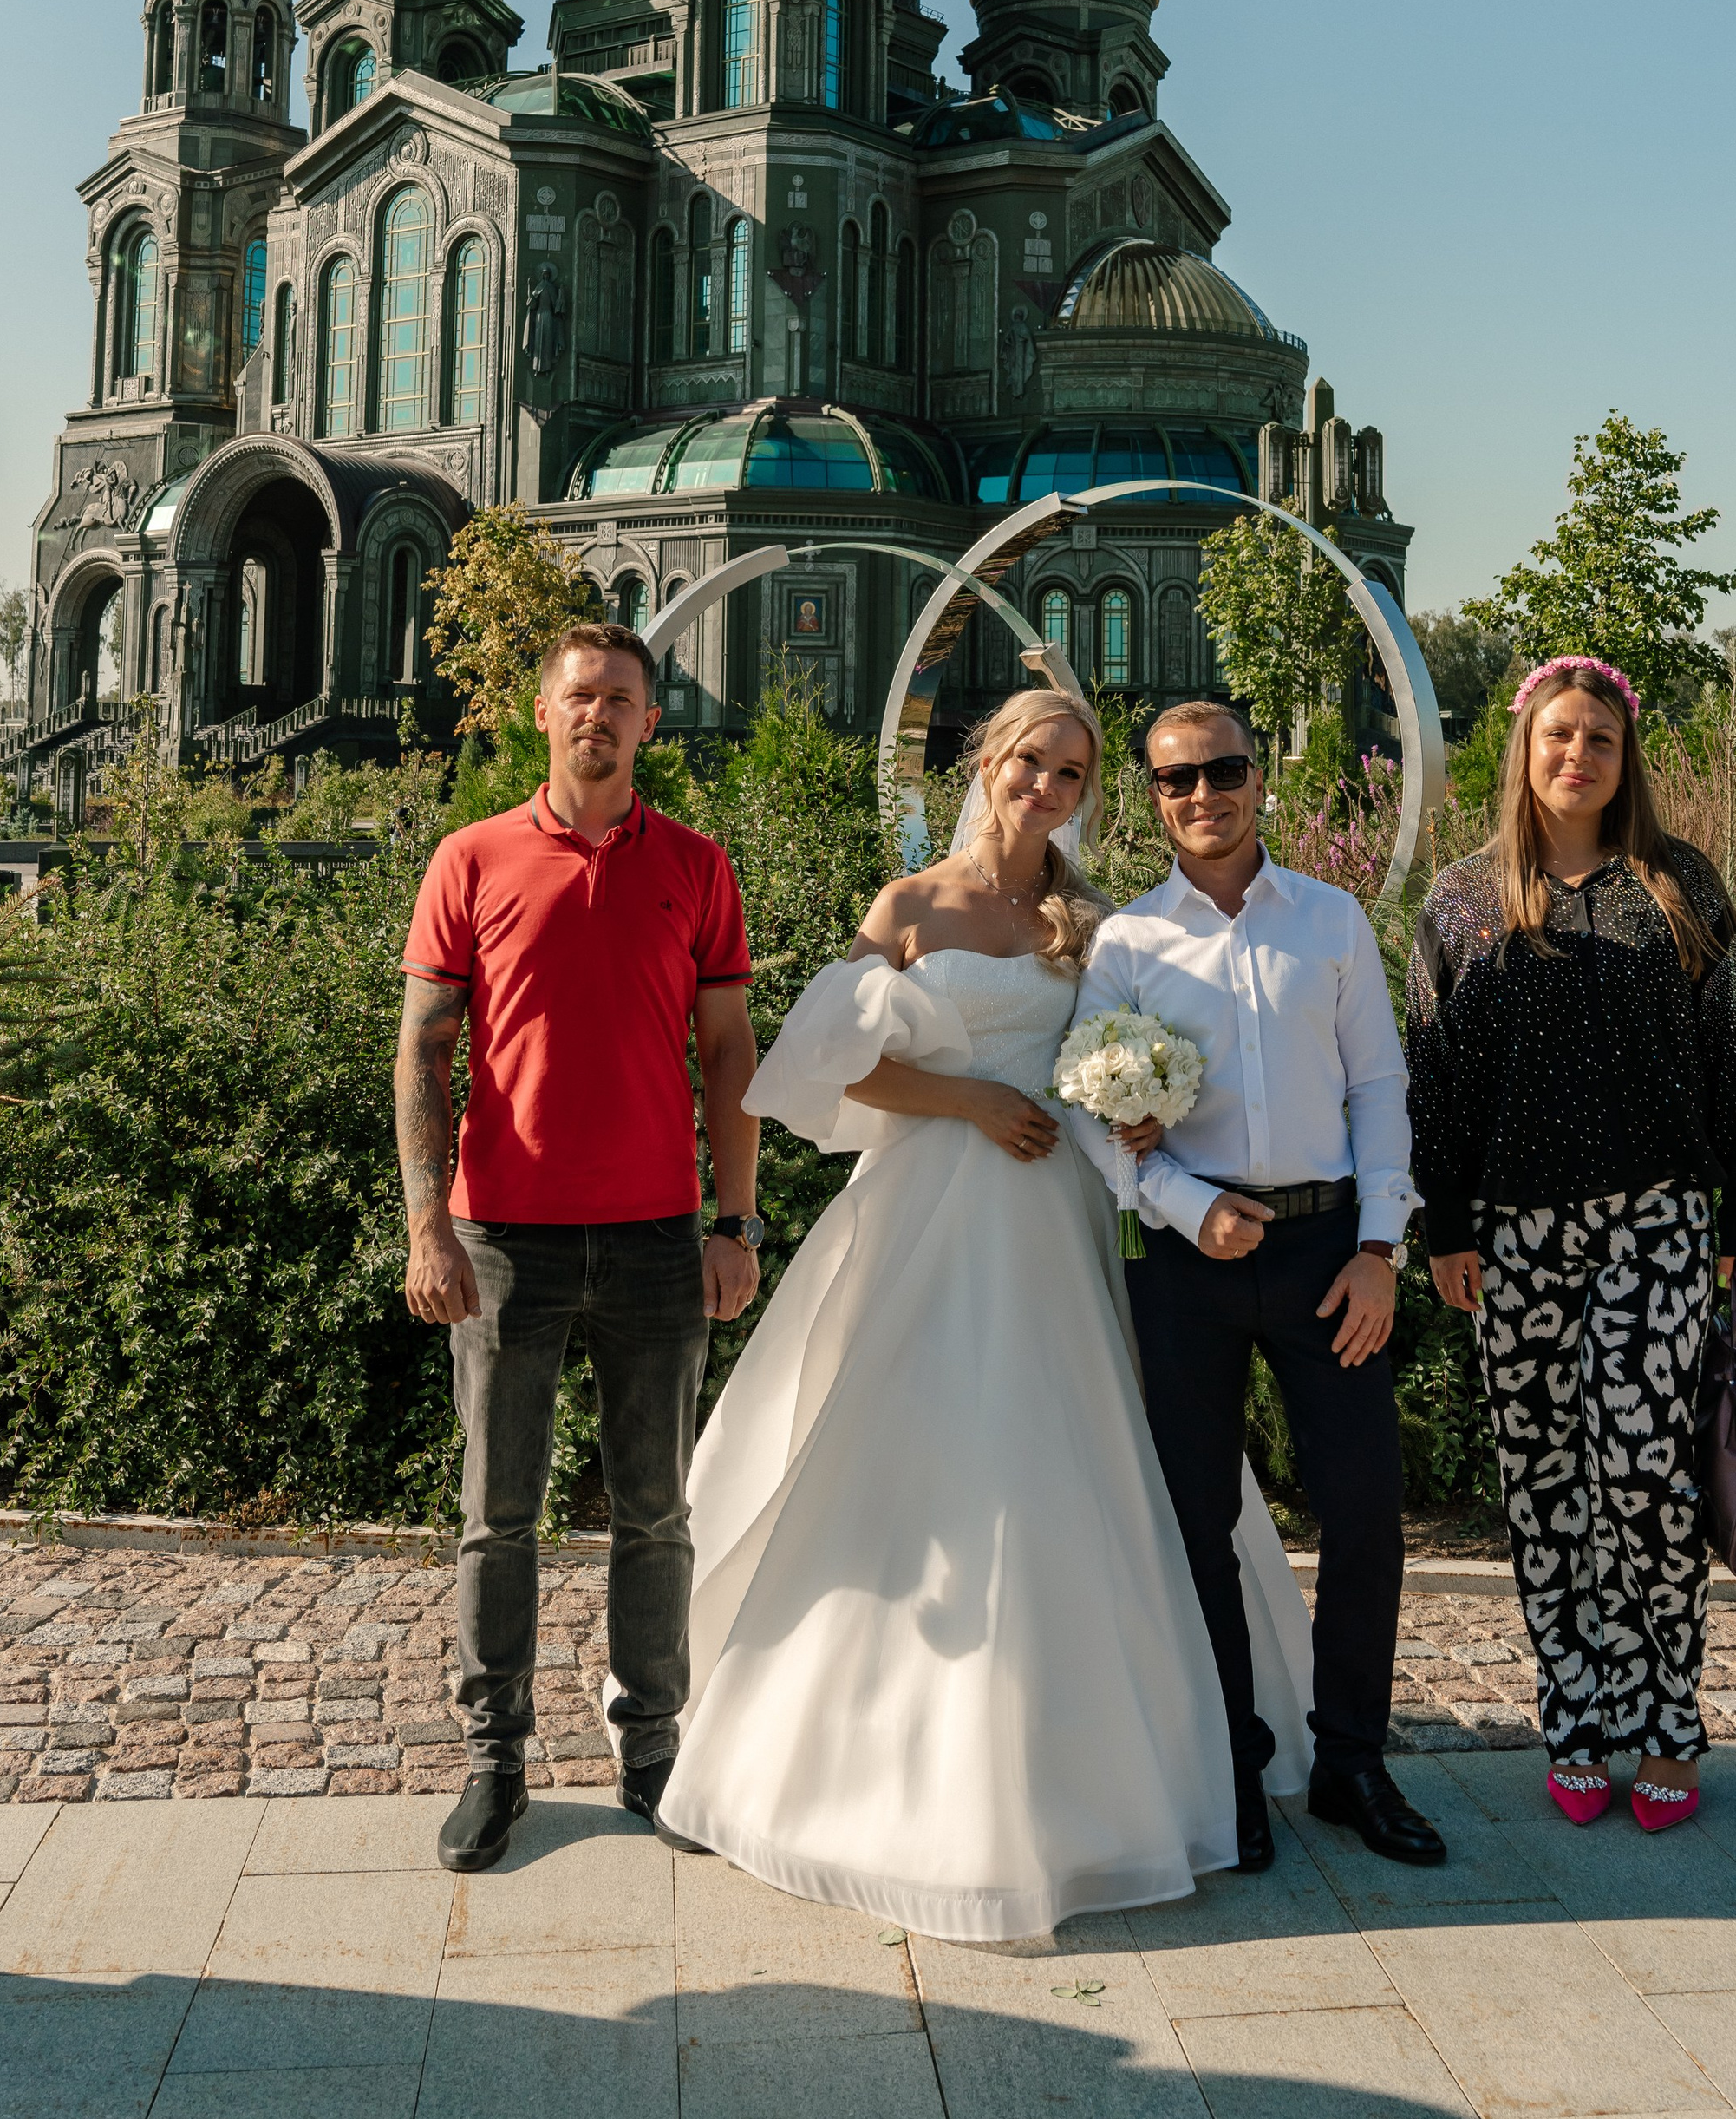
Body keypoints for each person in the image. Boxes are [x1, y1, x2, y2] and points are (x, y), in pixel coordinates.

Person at [648, 684, 1315, 1940]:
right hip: (933, 1202)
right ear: (988, 761)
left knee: (1086, 1460)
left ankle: (1133, 1762)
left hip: (1061, 1210)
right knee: (920, 1462)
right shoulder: (908, 906)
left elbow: (1131, 1057)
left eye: (1072, 773)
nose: (1046, 787)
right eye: (1030, 762)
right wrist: (967, 1101)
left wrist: (1139, 1107)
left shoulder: (1091, 922)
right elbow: (833, 1061)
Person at [397, 621, 760, 1874]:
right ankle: (494, 1762)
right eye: (578, 695)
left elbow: (728, 1051)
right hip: (504, 1237)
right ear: (542, 714)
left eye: (619, 698)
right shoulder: (472, 856)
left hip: (659, 1237)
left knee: (655, 1512)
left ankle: (652, 1749)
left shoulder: (697, 866)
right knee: (497, 1514)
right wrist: (428, 1224)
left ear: (650, 722)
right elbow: (424, 1051)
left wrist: (735, 1221)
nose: (597, 713)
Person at [1406, 654, 1736, 1835]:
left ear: (1626, 758)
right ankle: (1574, 1715)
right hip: (1513, 1232)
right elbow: (1434, 1080)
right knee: (1544, 1480)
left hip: (1656, 1219)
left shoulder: (1678, 885)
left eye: (1600, 738)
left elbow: (1734, 1056)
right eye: (1558, 734)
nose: (1577, 754)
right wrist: (1444, 1224)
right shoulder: (1464, 900)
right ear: (1523, 748)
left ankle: (1666, 1721)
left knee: (1643, 1473)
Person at [1083, 697, 1446, 1874]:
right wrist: (1184, 1202)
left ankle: (1351, 1760)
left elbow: (1379, 1085)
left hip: (1328, 1256)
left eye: (1224, 769)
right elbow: (1090, 1111)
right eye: (1177, 779)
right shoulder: (1128, 943)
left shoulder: (1331, 919)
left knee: (1365, 1510)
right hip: (1186, 1261)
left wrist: (1380, 1248)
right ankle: (1229, 1765)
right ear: (1154, 798)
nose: (1204, 794)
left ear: (1259, 777)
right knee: (1197, 1523)